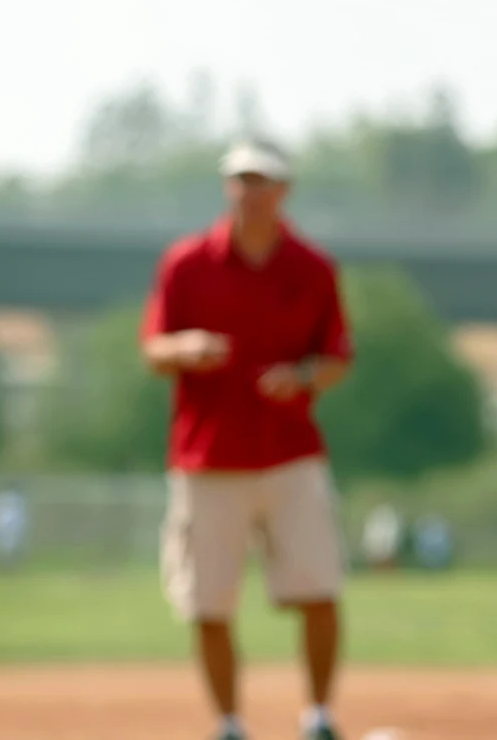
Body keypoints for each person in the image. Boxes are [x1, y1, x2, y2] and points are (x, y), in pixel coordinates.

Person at [140, 139, 353, 740]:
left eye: (260, 180)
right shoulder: (187, 263)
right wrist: (187, 348)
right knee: (207, 602)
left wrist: (303, 377)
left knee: (320, 590)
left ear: (283, 191)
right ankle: (229, 724)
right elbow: (153, 347)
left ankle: (318, 716)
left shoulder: (312, 268)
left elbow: (337, 356)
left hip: (290, 454)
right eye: (239, 180)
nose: (247, 191)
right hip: (207, 459)